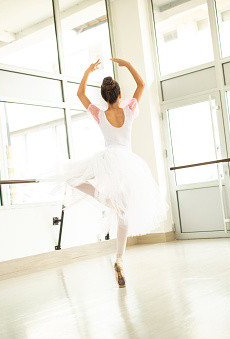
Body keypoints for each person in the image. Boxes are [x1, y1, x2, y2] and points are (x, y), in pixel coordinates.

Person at [67, 58, 167, 288]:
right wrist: (127, 64)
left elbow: (80, 95)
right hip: (128, 163)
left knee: (74, 179)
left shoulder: (99, 114)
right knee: (125, 215)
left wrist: (86, 70)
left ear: (104, 98)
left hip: (108, 160)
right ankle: (119, 259)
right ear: (119, 95)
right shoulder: (130, 109)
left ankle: (109, 203)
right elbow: (141, 85)